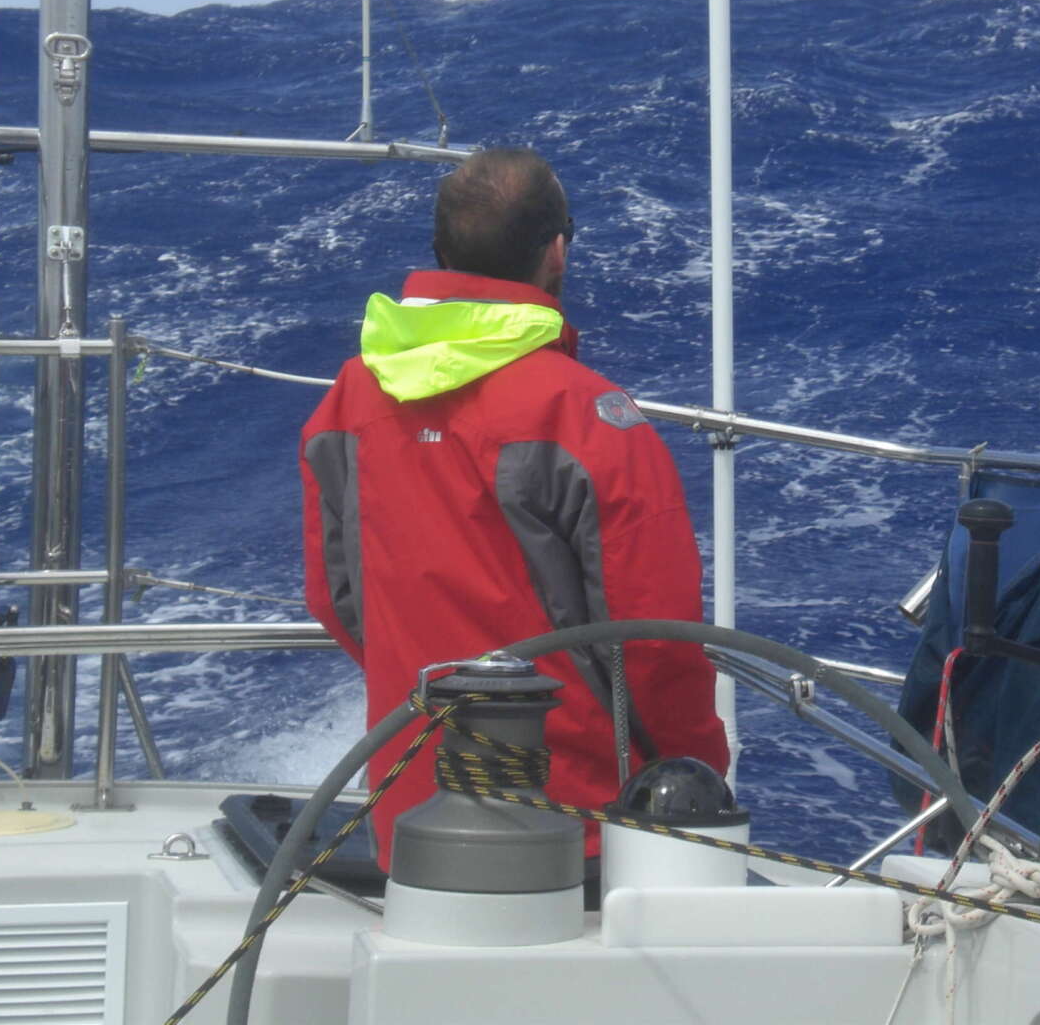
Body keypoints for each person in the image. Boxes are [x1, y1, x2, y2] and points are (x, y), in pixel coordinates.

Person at [300, 147, 729, 876]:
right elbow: (656, 643)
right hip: (579, 826)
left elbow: (338, 598)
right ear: (557, 249)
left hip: (414, 813)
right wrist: (693, 774)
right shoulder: (584, 415)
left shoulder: (349, 397)